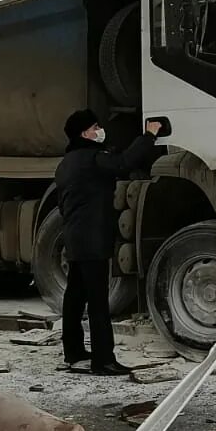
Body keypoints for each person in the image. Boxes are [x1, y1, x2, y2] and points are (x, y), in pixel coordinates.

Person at [55, 109, 166, 376]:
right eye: (95, 127)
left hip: (74, 238)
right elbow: (123, 163)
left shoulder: (66, 163)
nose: (99, 130)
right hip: (93, 240)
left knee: (75, 297)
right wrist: (148, 135)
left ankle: (74, 353)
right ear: (85, 133)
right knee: (97, 302)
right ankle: (103, 360)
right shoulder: (93, 158)